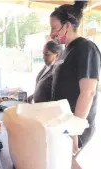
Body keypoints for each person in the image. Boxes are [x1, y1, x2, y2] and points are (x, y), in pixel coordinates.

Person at [49, 0, 101, 156]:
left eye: (54, 27)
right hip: (63, 122)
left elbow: (88, 92)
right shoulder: (67, 50)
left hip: (75, 126)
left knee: (68, 162)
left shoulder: (86, 48)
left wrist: (73, 131)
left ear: (67, 26)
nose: (51, 33)